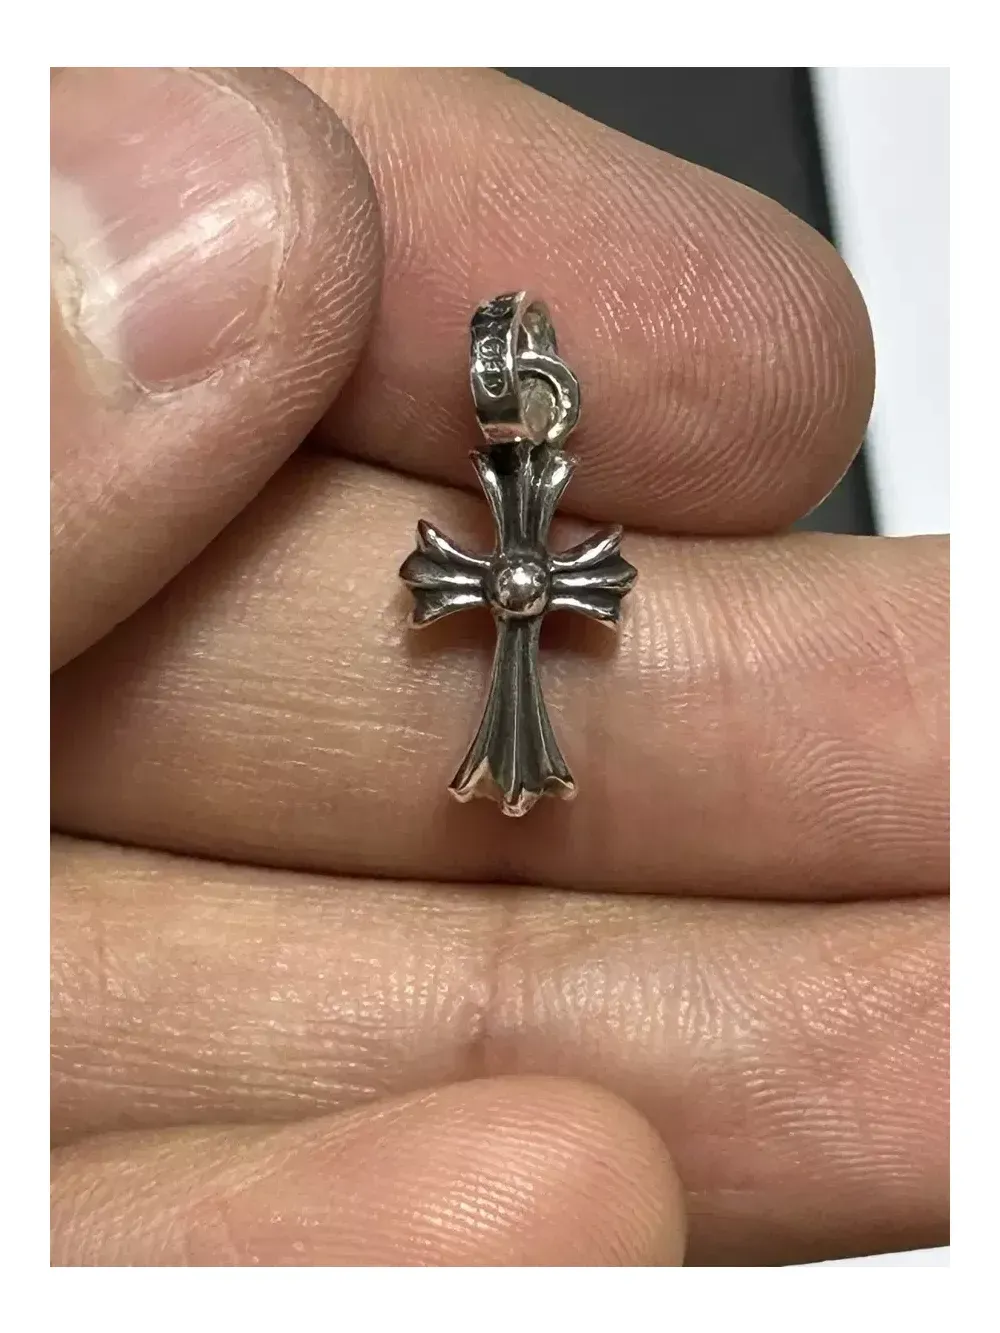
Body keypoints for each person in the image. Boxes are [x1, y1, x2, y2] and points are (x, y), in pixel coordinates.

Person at [50, 67, 948, 1266]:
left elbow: (563, 577)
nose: (518, 581)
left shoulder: (530, 504)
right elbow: (482, 575)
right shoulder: (506, 512)